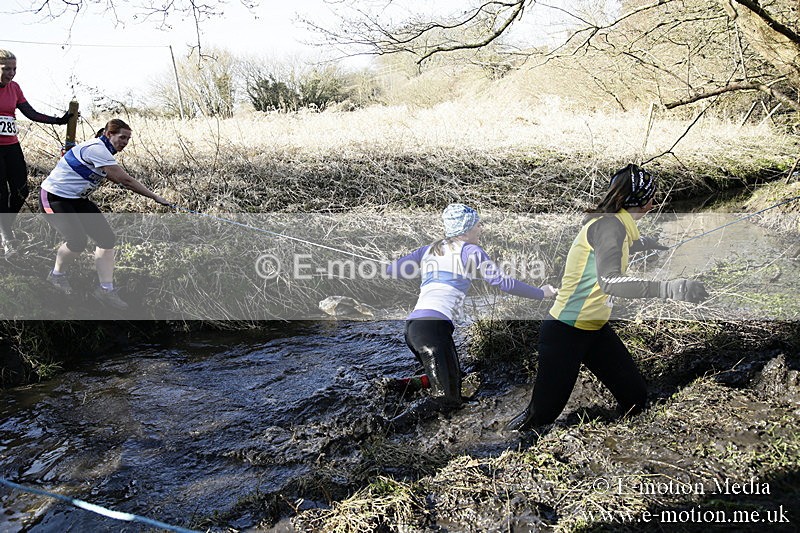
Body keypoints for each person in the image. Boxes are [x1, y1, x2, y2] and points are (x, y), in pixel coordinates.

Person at [508, 164, 708, 432]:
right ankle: (507, 445)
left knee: (635, 399)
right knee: (541, 416)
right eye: (650, 197)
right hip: (565, 331)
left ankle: (617, 436)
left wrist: (642, 243)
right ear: (637, 199)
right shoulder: (609, 226)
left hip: (594, 330)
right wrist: (670, 289)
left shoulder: (615, 226)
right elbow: (611, 281)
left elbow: (606, 251)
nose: (653, 203)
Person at [387, 203, 558, 421]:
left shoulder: (429, 249)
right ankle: (388, 426)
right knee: (448, 401)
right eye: (478, 225)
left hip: (413, 329)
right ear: (466, 230)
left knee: (454, 380)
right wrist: (541, 293)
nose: (481, 229)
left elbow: (393, 270)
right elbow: (502, 282)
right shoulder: (471, 250)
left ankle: (400, 388)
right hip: (433, 331)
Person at [39, 118, 169, 310]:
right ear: (108, 134)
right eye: (122, 137)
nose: (124, 142)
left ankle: (105, 290)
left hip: (77, 200)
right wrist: (155, 197)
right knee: (77, 242)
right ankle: (56, 276)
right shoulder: (96, 149)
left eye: (128, 139)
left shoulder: (103, 151)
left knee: (107, 239)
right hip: (54, 198)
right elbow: (125, 180)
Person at [0, 49, 71, 257]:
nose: (11, 73)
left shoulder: (14, 88)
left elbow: (30, 113)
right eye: (6, 69)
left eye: (14, 69)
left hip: (11, 146)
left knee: (22, 189)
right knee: (1, 194)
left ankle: (4, 227)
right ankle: (8, 239)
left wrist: (59, 120)